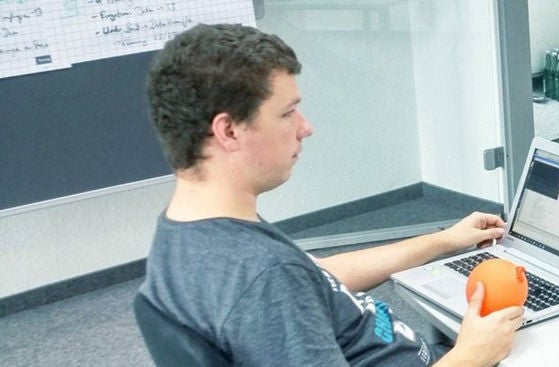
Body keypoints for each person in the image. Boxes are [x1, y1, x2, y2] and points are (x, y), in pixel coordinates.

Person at [138, 23, 523, 366]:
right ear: (229, 132)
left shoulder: (187, 233)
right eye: (287, 113)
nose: (305, 128)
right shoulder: (263, 275)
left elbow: (317, 279)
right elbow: (281, 285)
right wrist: (471, 356)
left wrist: (442, 241)